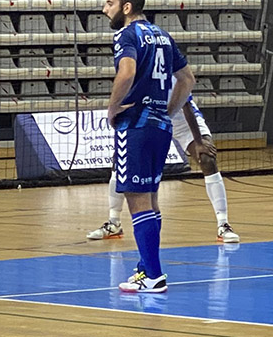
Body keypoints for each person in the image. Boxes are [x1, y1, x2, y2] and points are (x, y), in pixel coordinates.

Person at [102, 0, 195, 293]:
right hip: (160, 126)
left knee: (137, 198)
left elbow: (126, 72)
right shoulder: (163, 35)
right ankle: (146, 268)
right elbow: (187, 79)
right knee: (151, 198)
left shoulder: (126, 34)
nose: (104, 9)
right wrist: (168, 110)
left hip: (136, 124)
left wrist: (113, 108)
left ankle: (154, 276)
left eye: (110, 3)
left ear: (126, 7)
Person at [87, 96, 240, 243]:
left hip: (181, 118)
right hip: (149, 118)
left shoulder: (173, 77)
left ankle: (223, 224)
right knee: (120, 160)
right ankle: (114, 223)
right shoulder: (134, 78)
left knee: (207, 159)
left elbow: (186, 104)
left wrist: (199, 142)